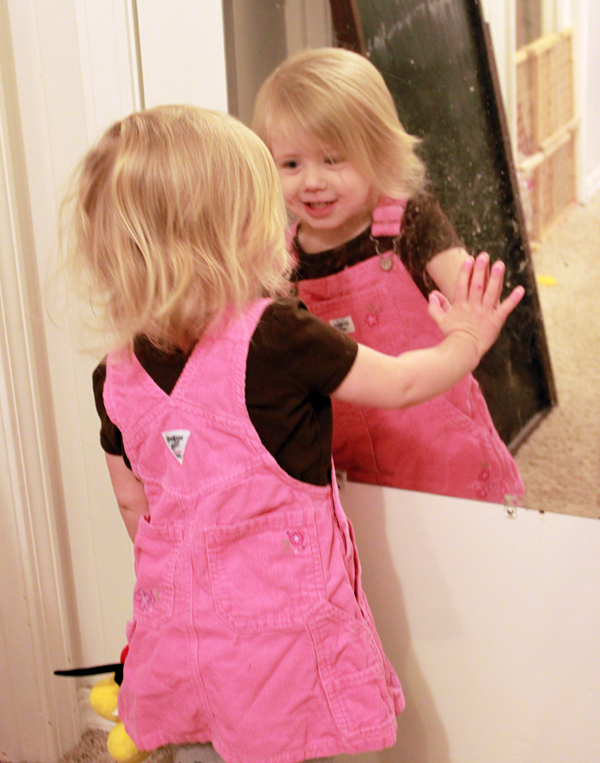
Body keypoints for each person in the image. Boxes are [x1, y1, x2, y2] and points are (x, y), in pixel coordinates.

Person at [63, 105, 523, 763]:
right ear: (239, 230)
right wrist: (465, 342)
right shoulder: (277, 335)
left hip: (181, 635)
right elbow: (398, 384)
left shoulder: (114, 374)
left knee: (201, 740)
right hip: (285, 647)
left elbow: (133, 503)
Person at [252, 47, 526, 504]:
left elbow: (471, 300)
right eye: (292, 164)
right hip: (347, 473)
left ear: (378, 153)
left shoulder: (410, 223)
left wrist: (471, 318)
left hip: (442, 457)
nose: (312, 181)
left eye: (332, 159)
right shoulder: (279, 260)